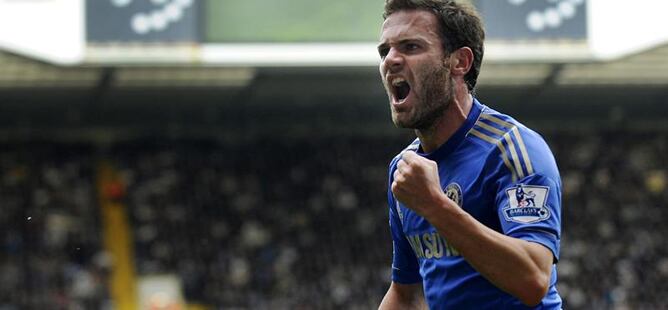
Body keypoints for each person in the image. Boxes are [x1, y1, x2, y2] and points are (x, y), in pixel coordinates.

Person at [376, 0, 562, 309]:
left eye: (410, 47)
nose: (391, 60)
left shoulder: (512, 150)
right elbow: (405, 294)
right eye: (385, 51)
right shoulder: (405, 169)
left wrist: (435, 205)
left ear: (459, 62)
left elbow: (533, 281)